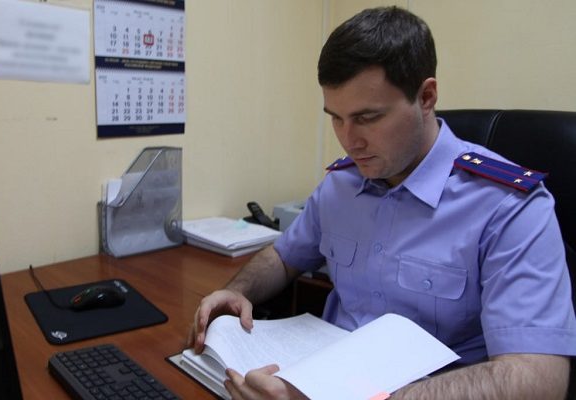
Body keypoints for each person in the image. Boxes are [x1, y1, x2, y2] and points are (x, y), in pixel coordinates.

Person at [188, 6, 576, 399]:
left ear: (426, 97)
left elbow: (538, 379)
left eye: (367, 118)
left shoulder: (509, 207)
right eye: (336, 118)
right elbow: (285, 256)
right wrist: (239, 290)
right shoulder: (342, 184)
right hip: (317, 374)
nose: (349, 140)